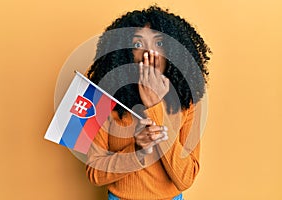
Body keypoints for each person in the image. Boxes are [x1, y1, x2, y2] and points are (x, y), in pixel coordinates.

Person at [85, 5, 211, 200]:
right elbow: (95, 174)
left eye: (159, 44)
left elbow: (185, 179)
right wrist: (138, 151)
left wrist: (154, 109)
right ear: (124, 53)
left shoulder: (188, 101)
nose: (148, 53)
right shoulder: (104, 98)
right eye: (137, 45)